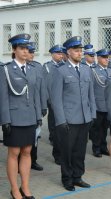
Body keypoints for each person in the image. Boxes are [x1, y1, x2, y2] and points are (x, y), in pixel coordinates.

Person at [51, 36, 96, 191]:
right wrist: (61, 121)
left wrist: (92, 114)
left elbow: (91, 94)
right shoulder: (60, 71)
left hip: (84, 118)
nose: (80, 53)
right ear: (68, 52)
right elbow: (56, 99)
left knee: (80, 151)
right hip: (69, 119)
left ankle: (78, 176)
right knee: (67, 152)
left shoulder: (86, 69)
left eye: (81, 51)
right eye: (76, 51)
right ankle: (67, 179)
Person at [0, 33, 41, 199]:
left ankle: (25, 187)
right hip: (14, 118)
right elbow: (3, 96)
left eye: (27, 48)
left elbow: (35, 94)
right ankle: (14, 189)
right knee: (14, 153)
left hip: (30, 117)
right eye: (22, 48)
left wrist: (38, 116)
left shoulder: (31, 69)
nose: (25, 51)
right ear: (14, 50)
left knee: (27, 151)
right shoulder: (6, 70)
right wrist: (5, 120)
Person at [26, 42, 47, 171]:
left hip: (36, 107)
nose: (32, 54)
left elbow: (42, 88)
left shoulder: (38, 67)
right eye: (29, 52)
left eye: (33, 52)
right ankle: (20, 162)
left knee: (35, 136)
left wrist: (43, 106)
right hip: (23, 108)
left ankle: (33, 160)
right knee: (23, 138)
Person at [43, 44, 64, 165]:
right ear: (52, 54)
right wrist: (46, 101)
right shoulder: (47, 67)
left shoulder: (64, 66)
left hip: (63, 102)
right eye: (58, 53)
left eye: (62, 53)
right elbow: (45, 86)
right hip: (52, 101)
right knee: (55, 128)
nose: (60, 55)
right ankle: (57, 155)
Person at [89, 49, 111, 157]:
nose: (106, 59)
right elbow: (91, 89)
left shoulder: (110, 71)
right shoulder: (93, 71)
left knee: (105, 128)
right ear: (98, 58)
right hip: (98, 105)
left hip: (108, 105)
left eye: (107, 57)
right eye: (104, 57)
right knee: (97, 129)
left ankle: (103, 147)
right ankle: (96, 148)